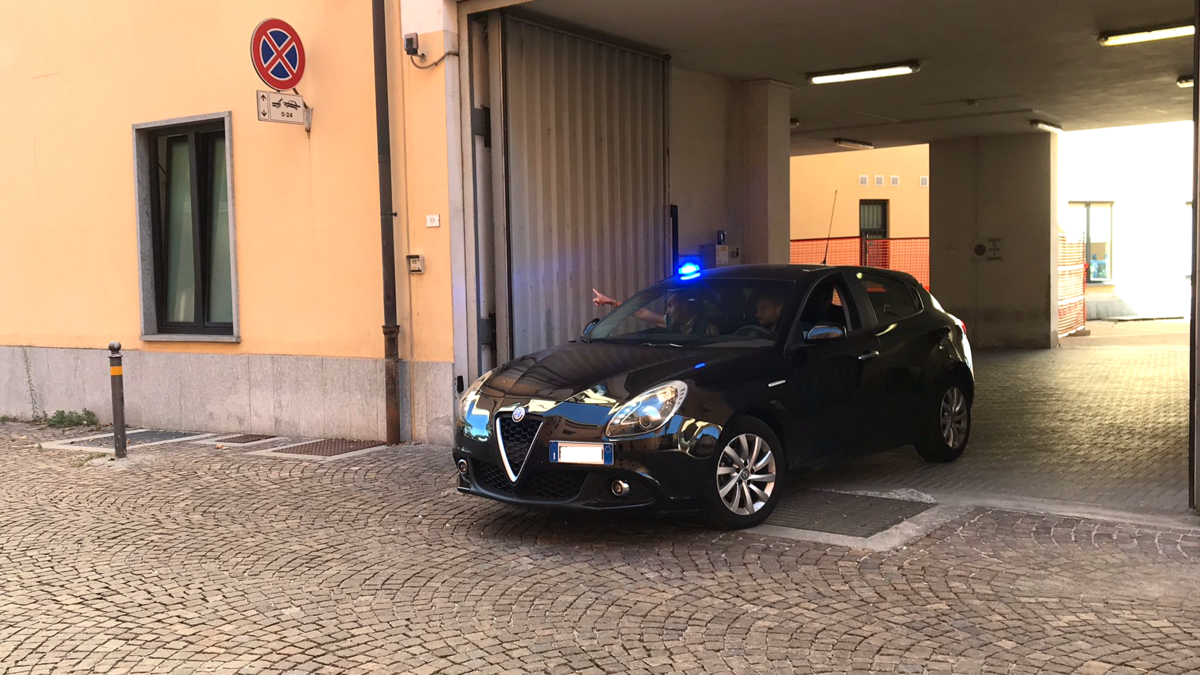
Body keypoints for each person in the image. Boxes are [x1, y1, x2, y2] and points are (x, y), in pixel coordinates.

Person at [593, 288, 719, 336]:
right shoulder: (671, 322)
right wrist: (610, 301)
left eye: (670, 305)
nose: (667, 311)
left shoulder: (709, 330)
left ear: (684, 306)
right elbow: (642, 313)